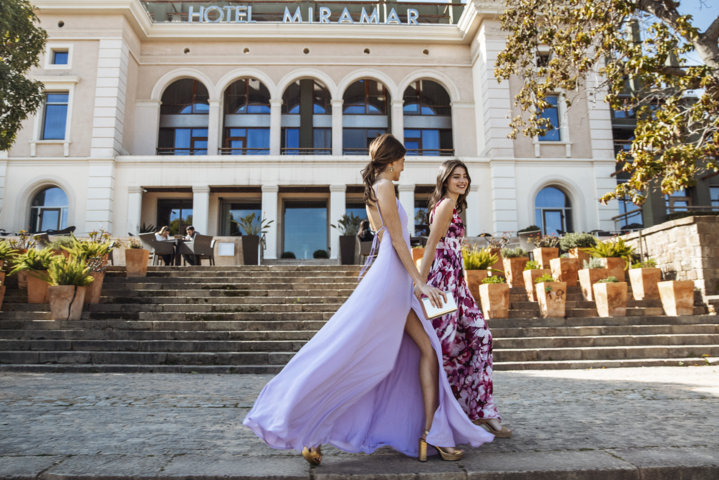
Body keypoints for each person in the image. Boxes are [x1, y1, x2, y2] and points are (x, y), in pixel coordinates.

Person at [243, 134, 493, 465]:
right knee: (364, 358)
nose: (405, 166)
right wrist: (419, 280)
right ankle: (314, 429)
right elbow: (397, 241)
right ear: (391, 161)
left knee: (423, 351)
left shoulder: (377, 187)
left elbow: (390, 238)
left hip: (395, 279)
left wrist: (413, 281)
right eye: (403, 160)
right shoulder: (385, 185)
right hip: (391, 280)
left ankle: (433, 435)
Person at [417, 160, 512, 438]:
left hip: (457, 285)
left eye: (464, 176)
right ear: (445, 180)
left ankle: (482, 411)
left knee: (480, 337)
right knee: (447, 349)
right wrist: (420, 282)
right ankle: (449, 417)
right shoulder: (446, 205)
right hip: (444, 286)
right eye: (455, 176)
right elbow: (431, 244)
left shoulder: (453, 206)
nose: (462, 181)